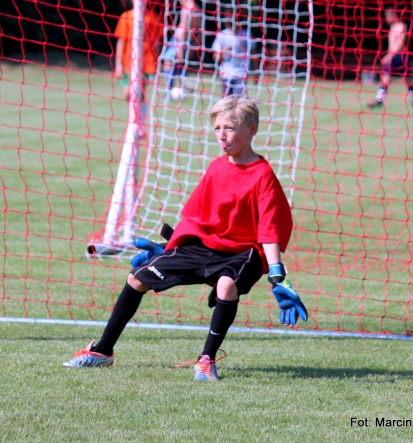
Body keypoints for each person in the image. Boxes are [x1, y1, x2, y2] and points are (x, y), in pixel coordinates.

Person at [63, 95, 308, 381]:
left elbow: (269, 228)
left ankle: (207, 360)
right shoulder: (217, 167)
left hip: (243, 253)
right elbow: (195, 216)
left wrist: (277, 274)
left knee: (226, 286)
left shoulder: (262, 174)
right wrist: (168, 249)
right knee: (137, 277)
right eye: (217, 129)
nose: (222, 136)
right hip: (205, 246)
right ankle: (103, 351)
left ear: (251, 130)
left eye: (229, 128)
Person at [114, 1, 162, 117]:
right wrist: (118, 64)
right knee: (127, 93)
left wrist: (157, 62)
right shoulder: (126, 16)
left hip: (147, 63)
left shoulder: (152, 17)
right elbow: (121, 41)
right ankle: (135, 118)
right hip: (128, 63)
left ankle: (139, 122)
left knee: (140, 93)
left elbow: (156, 42)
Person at [368, 7, 413, 109]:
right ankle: (379, 100)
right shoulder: (392, 27)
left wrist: (389, 56)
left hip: (400, 56)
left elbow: (400, 43)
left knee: (407, 80)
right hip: (392, 56)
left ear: (393, 15)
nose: (386, 18)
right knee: (385, 78)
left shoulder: (402, 26)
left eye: (388, 16)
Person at [212, 10, 257, 97]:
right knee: (226, 102)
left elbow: (253, 53)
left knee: (239, 100)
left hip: (241, 72)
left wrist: (256, 72)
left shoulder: (246, 34)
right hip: (226, 73)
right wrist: (223, 51)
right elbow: (215, 57)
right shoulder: (222, 35)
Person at [161, 0, 198, 99]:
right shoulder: (197, 10)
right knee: (177, 64)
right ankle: (187, 84)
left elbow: (183, 29)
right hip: (189, 42)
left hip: (179, 41)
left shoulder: (186, 10)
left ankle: (170, 91)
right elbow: (199, 31)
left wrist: (180, 48)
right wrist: (194, 46)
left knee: (169, 63)